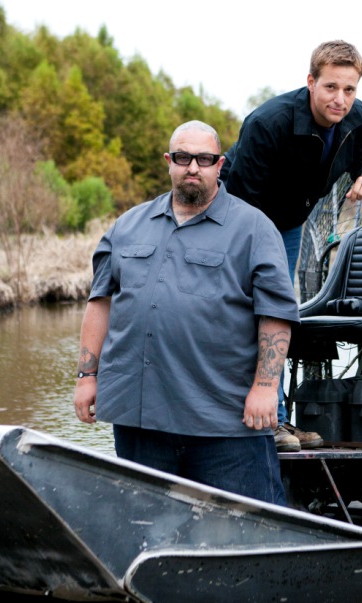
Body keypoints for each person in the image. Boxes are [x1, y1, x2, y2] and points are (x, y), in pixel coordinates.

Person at [73, 120, 299, 506]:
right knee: (145, 525)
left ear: (220, 165)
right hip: (140, 420)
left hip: (225, 423)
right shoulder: (127, 226)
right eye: (183, 157)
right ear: (169, 162)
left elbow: (276, 312)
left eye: (204, 159)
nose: (193, 167)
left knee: (247, 529)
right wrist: (86, 376)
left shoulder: (255, 229)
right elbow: (100, 302)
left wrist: (265, 387)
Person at [220, 40, 362, 452]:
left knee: (278, 313)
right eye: (330, 87)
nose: (340, 99)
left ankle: (275, 418)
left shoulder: (357, 117)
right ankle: (255, 420)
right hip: (240, 219)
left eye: (349, 89)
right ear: (310, 82)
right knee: (251, 311)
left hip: (290, 222)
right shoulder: (268, 122)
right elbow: (239, 196)